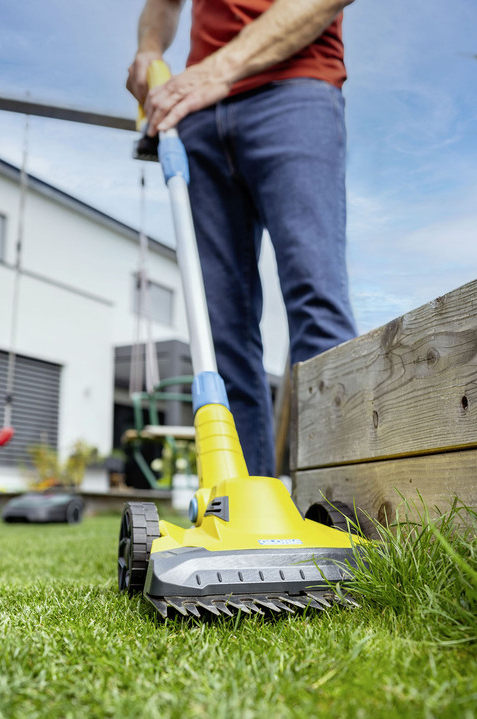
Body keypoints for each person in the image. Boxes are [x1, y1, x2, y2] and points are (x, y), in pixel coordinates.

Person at [127, 0, 358, 478]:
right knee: (220, 332)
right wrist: (149, 48)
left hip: (296, 89)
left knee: (316, 302)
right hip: (198, 116)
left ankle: (342, 509)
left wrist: (220, 68)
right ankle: (247, 510)